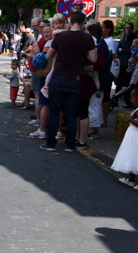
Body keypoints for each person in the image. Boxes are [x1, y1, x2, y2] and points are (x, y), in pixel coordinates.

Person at [40, 11, 97, 152]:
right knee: (71, 113)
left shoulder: (61, 36)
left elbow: (48, 55)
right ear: (83, 23)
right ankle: (70, 145)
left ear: (69, 21)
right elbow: (94, 59)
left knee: (55, 111)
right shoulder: (87, 39)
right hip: (75, 77)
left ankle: (51, 143)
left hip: (59, 76)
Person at [111, 84, 138, 190]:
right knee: (134, 156)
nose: (131, 100)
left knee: (137, 156)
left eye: (132, 98)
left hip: (137, 136)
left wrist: (130, 118)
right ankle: (131, 179)